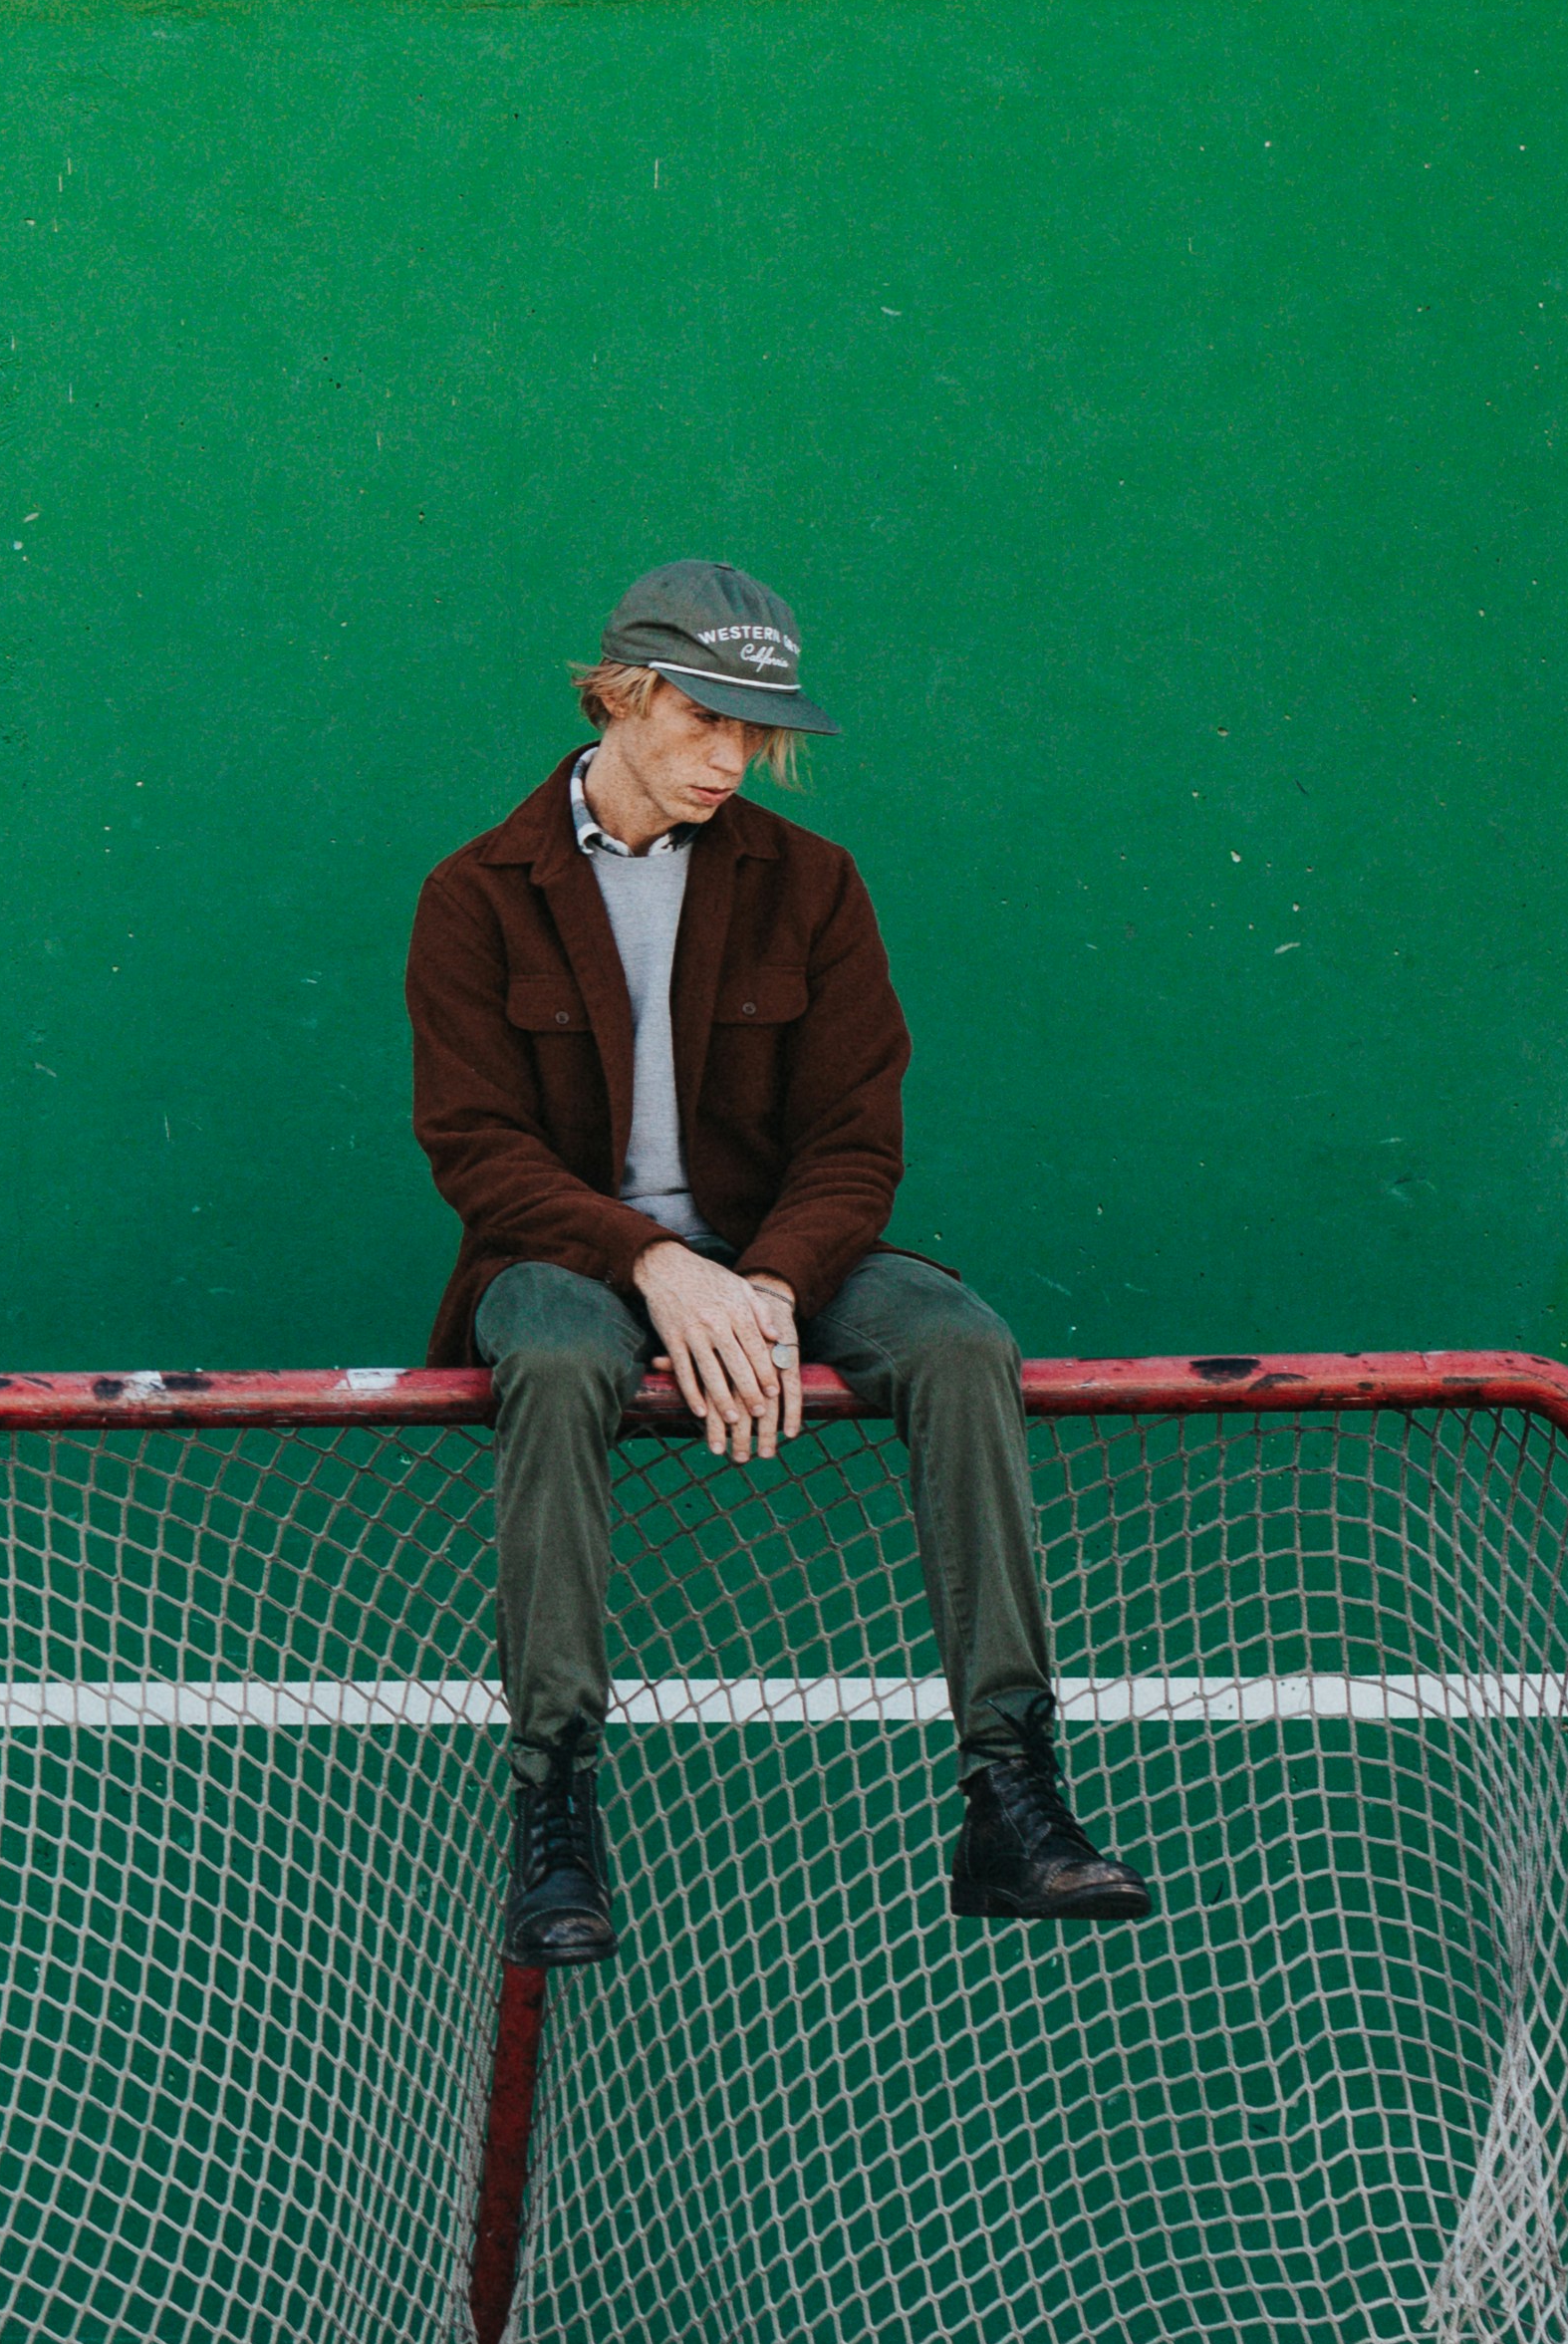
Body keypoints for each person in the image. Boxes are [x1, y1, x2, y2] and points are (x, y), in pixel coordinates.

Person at [399, 559, 1152, 1965]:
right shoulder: (478, 895)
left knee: (958, 1341)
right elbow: (476, 1149)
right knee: (561, 1359)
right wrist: (652, 1269)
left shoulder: (810, 885)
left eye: (760, 729)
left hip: (780, 1258)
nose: (734, 757)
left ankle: (1012, 1791)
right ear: (623, 694)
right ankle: (554, 1804)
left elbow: (857, 1143)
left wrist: (765, 1287)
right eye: (707, 719)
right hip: (563, 1258)